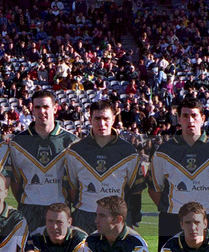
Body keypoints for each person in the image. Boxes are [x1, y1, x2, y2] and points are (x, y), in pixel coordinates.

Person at [148, 98, 209, 252]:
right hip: (171, 221)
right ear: (178, 119)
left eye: (194, 115)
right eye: (185, 116)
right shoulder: (163, 152)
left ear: (203, 118)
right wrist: (173, 211)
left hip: (206, 220)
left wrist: (208, 213)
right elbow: (154, 190)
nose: (190, 120)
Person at [63, 100, 147, 235]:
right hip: (84, 217)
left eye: (106, 118)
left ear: (113, 119)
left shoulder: (128, 152)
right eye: (97, 118)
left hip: (116, 218)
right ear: (89, 119)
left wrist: (132, 216)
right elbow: (71, 189)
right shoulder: (75, 151)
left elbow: (135, 191)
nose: (102, 123)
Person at [5, 90, 78, 232]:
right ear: (32, 109)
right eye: (37, 107)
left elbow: (74, 182)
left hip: (59, 208)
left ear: (55, 109)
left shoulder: (71, 141)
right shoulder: (18, 142)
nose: (41, 111)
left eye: (46, 107)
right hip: (29, 209)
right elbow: (15, 182)